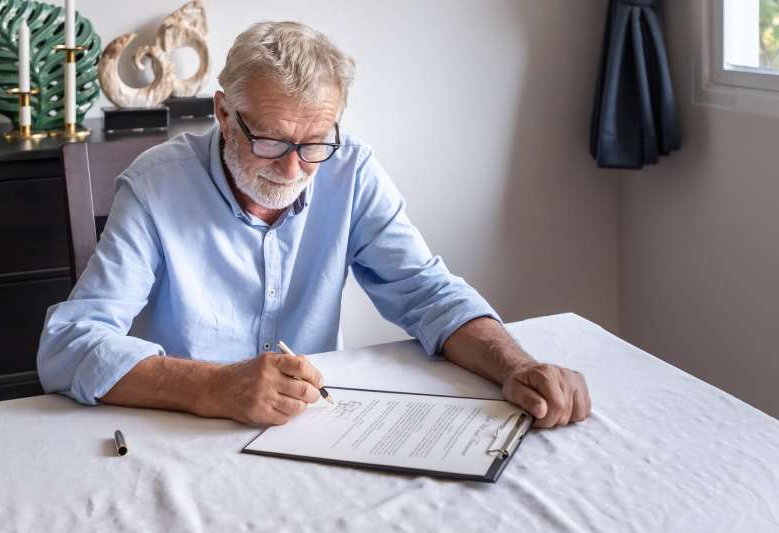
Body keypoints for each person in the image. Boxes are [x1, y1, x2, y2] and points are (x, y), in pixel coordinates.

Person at [37, 21, 590, 429]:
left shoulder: (350, 170)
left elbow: (428, 294)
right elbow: (68, 345)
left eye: (315, 143)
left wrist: (515, 366)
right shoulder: (156, 186)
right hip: (177, 429)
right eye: (273, 140)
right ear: (224, 114)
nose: (294, 167)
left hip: (309, 431)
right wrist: (212, 386)